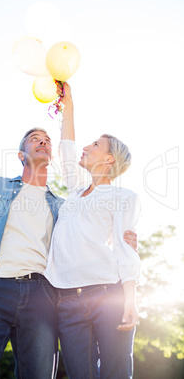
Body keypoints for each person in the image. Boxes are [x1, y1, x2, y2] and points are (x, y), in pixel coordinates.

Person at [0, 126, 138, 379]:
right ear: (21, 155)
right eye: (34, 139)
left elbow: (85, 237)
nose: (43, 142)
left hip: (43, 297)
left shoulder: (63, 206)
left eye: (47, 140)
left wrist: (125, 239)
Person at [44, 82, 141, 379]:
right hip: (67, 300)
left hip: (106, 294)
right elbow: (68, 148)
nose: (87, 147)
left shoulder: (124, 197)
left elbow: (125, 251)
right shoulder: (74, 190)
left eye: (96, 145)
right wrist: (68, 103)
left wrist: (130, 300)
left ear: (109, 159)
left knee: (115, 373)